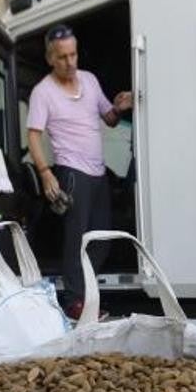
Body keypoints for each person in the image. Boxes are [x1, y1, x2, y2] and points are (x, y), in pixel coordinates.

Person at [27, 23, 133, 320]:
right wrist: (46, 173)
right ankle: (75, 303)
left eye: (73, 55)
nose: (70, 62)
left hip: (98, 173)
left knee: (102, 241)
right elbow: (33, 135)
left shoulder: (89, 80)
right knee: (76, 241)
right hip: (71, 173)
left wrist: (119, 107)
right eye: (62, 57)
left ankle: (85, 298)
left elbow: (108, 119)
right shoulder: (42, 92)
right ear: (50, 58)